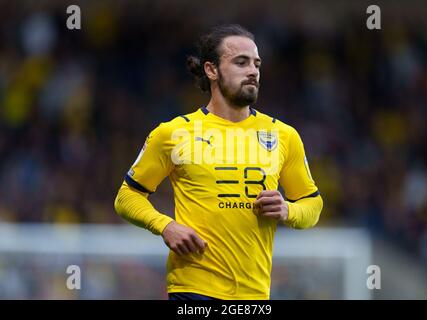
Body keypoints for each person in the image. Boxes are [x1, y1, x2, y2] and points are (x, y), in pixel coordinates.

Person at [114, 24, 323, 300]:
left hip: (254, 295)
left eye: (256, 64)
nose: (253, 71)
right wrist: (165, 225)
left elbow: (313, 204)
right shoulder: (173, 133)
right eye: (241, 62)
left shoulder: (283, 136)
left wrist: (288, 210)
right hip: (192, 290)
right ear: (211, 70)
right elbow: (127, 197)